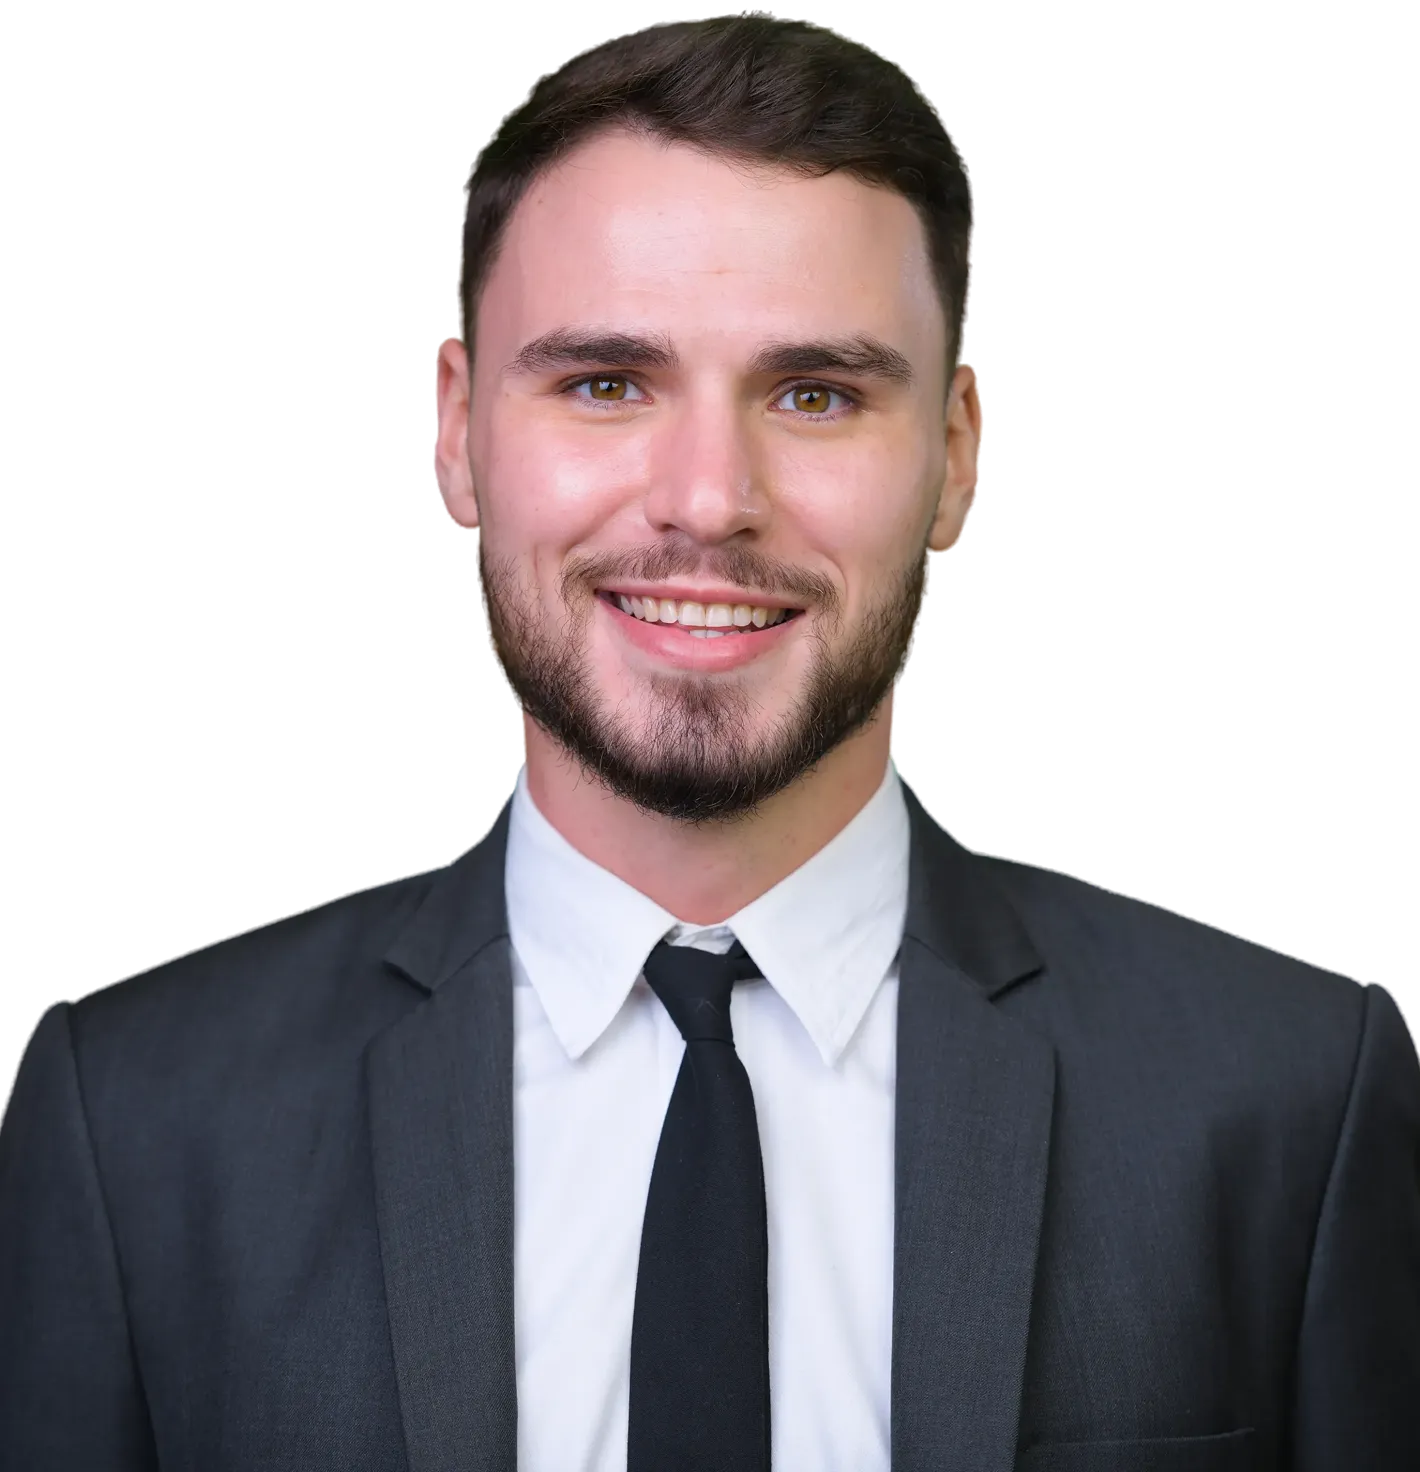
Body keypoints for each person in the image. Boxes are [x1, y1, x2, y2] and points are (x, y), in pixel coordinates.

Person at [3, 14, 1416, 1471]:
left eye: (815, 394)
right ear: (453, 431)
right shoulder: (134, 1121)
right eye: (606, 382)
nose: (705, 499)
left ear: (959, 455)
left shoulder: (1292, 1095)